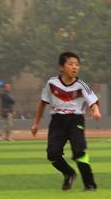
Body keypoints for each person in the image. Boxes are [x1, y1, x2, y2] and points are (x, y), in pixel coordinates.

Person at [31, 52, 102, 191]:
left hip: (76, 120)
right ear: (61, 67)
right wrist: (36, 123)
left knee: (79, 151)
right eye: (70, 64)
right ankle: (69, 173)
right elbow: (42, 103)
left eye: (77, 64)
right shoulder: (52, 83)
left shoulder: (82, 85)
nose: (74, 67)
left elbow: (93, 101)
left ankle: (89, 184)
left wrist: (96, 110)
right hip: (57, 121)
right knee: (52, 154)